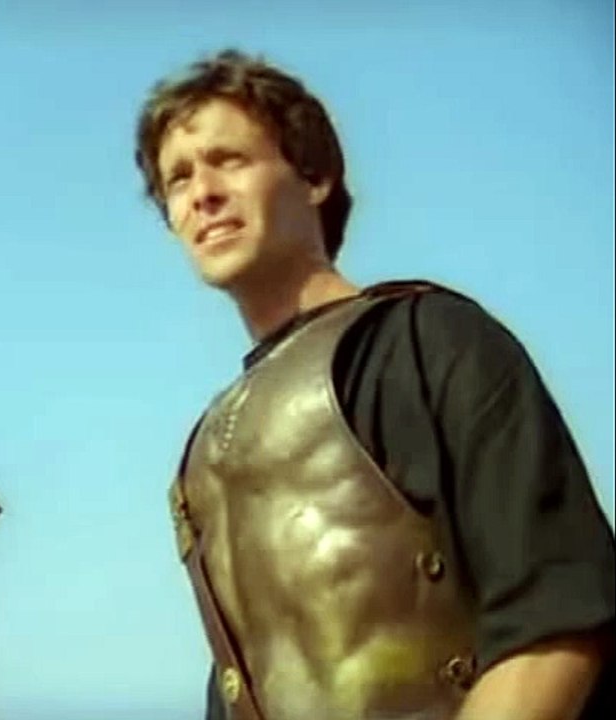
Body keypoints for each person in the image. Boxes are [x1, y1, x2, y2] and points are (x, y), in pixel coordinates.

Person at [133, 49, 614, 720]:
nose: (201, 193)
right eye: (178, 178)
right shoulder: (206, 452)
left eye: (229, 160)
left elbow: (556, 624)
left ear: (314, 177)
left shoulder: (432, 341)